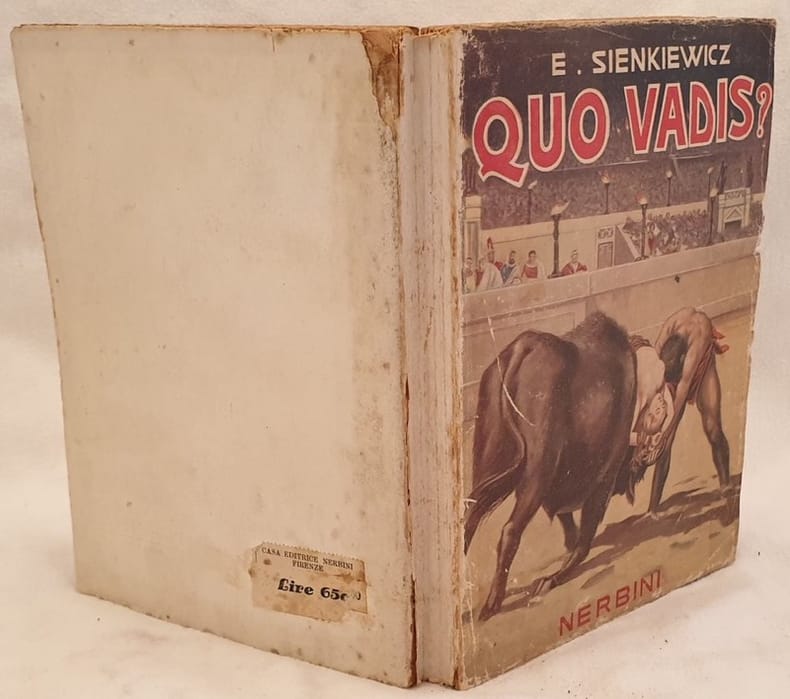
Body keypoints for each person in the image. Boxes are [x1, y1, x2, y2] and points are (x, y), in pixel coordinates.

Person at [648, 307, 731, 514]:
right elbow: (652, 373)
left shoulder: (696, 345)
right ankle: (653, 508)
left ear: (683, 358)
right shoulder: (668, 330)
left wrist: (665, 432)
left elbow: (683, 389)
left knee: (713, 428)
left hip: (703, 368)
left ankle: (726, 484)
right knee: (665, 443)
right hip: (676, 371)